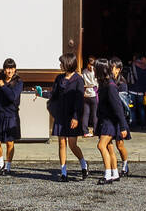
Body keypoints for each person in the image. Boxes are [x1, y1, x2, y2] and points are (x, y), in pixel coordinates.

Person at [48, 53, 88, 181]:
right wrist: (41, 93)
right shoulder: (59, 78)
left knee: (72, 144)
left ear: (68, 63)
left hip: (72, 115)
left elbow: (79, 100)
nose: (60, 65)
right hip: (61, 114)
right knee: (61, 143)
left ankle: (83, 164)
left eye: (62, 63)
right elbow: (53, 94)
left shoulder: (78, 80)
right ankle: (64, 172)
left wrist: (76, 117)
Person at [94, 58, 129, 185]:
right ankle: (114, 173)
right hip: (105, 120)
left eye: (95, 68)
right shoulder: (105, 84)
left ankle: (107, 175)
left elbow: (118, 108)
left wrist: (123, 127)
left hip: (110, 121)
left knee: (101, 146)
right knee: (109, 148)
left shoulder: (110, 86)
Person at [110, 57, 132, 175]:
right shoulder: (108, 81)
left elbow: (122, 103)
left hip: (119, 117)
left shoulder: (122, 83)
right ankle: (111, 168)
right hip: (109, 117)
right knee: (108, 144)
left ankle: (125, 164)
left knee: (119, 144)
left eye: (112, 67)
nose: (110, 69)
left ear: (118, 69)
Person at [127, 53, 146, 128]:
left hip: (132, 90)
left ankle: (133, 125)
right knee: (141, 109)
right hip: (141, 92)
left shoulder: (133, 66)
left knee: (132, 109)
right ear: (142, 59)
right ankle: (143, 124)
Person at [82, 57, 98, 136]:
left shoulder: (84, 71)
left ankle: (85, 131)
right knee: (95, 114)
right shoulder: (95, 71)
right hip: (93, 93)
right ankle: (96, 130)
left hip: (86, 93)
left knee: (86, 113)